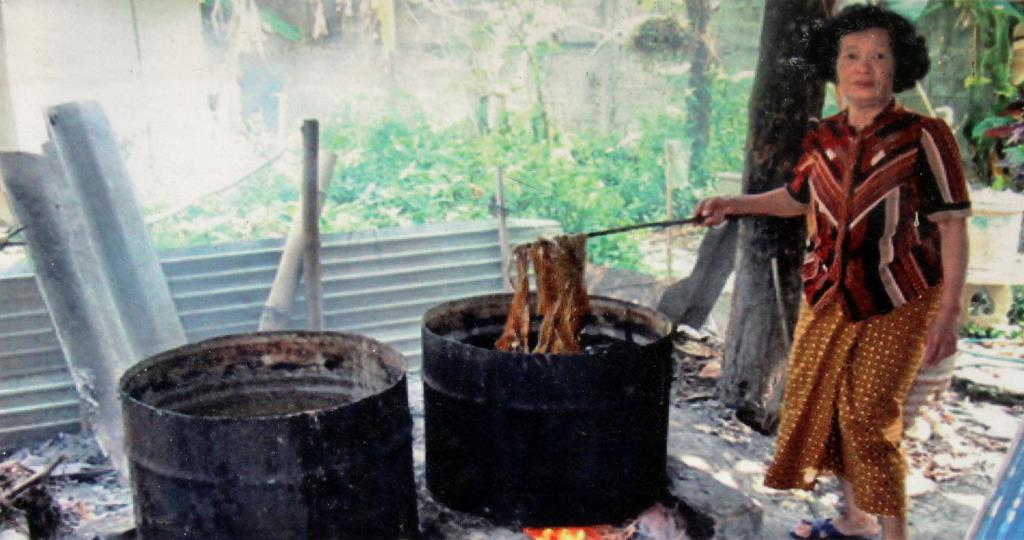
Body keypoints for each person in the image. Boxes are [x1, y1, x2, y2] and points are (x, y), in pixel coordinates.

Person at [693, 5, 970, 540]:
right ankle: (855, 521)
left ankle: (894, 536)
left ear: (898, 68)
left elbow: (953, 227)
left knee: (870, 421)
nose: (864, 67)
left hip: (898, 297)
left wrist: (949, 313)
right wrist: (734, 202)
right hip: (828, 296)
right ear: (834, 66)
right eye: (852, 56)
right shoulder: (823, 137)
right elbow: (798, 199)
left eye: (879, 56)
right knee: (835, 415)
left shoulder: (925, 136)